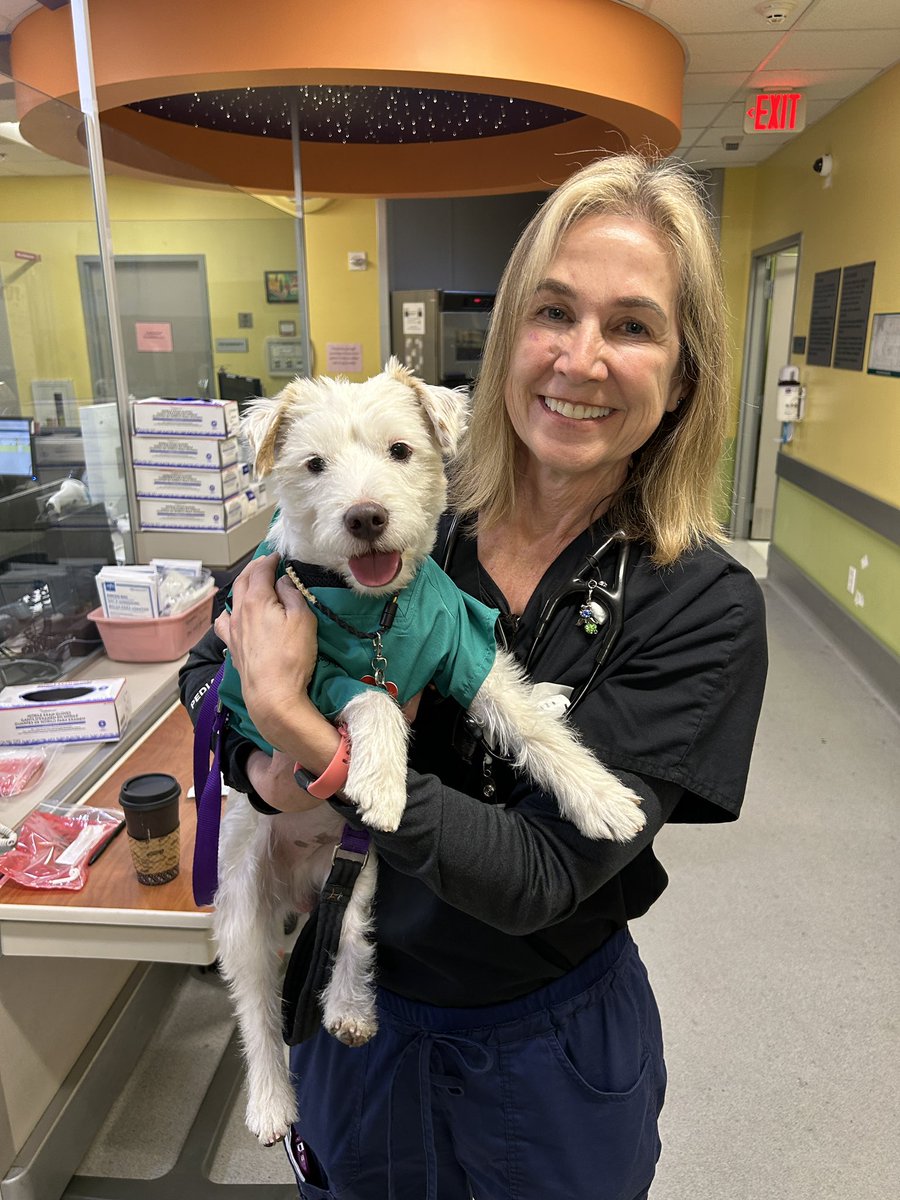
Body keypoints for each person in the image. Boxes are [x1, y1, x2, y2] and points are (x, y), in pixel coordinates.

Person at [180, 151, 767, 1200]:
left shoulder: (700, 603)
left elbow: (541, 878)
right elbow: (210, 659)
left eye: (631, 327)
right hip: (355, 1008)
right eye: (553, 312)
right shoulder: (405, 524)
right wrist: (255, 750)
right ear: (507, 343)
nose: (579, 359)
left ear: (684, 377)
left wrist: (306, 737)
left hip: (545, 1049)